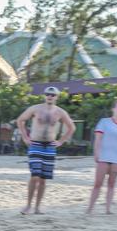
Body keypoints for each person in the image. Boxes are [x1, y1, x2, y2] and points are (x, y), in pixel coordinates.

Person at [16, 86, 76, 214]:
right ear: (44, 95)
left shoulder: (60, 112)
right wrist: (25, 137)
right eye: (48, 94)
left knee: (43, 178)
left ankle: (37, 207)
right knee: (35, 176)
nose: (50, 96)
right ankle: (28, 205)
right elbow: (20, 120)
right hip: (35, 144)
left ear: (57, 97)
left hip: (49, 147)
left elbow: (72, 127)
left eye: (52, 95)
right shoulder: (35, 109)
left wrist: (61, 141)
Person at [87, 98, 117, 215]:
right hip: (103, 157)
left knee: (112, 184)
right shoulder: (104, 122)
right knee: (98, 183)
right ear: (113, 109)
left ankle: (108, 210)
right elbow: (98, 139)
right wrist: (96, 153)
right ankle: (90, 209)